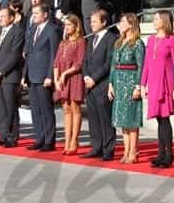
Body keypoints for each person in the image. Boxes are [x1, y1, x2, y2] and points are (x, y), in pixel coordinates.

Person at [140, 10, 174, 167]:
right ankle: (160, 152)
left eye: (156, 19)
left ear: (164, 21)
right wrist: (143, 84)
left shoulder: (172, 40)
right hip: (154, 82)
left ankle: (168, 154)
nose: (154, 21)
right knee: (158, 118)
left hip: (165, 83)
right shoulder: (150, 40)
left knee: (164, 119)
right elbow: (147, 64)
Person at [109, 12, 145, 163]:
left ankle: (133, 151)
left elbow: (141, 66)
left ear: (131, 24)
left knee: (132, 119)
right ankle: (125, 150)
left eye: (123, 22)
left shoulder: (137, 43)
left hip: (130, 81)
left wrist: (138, 86)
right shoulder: (119, 42)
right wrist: (111, 84)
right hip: (118, 80)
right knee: (122, 120)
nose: (121, 24)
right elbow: (113, 65)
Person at [24, 4, 60, 152]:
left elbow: (54, 55)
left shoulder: (52, 30)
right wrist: (24, 75)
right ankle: (39, 138)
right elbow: (28, 54)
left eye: (37, 13)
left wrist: (50, 76)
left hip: (44, 75)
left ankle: (49, 140)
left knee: (46, 109)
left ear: (45, 14)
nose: (34, 16)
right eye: (33, 13)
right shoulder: (32, 30)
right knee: (35, 110)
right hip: (32, 75)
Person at [82, 9, 116, 160]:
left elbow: (108, 62)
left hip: (102, 84)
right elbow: (85, 61)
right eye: (91, 22)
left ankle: (108, 149)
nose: (91, 24)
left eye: (95, 21)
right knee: (93, 118)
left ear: (104, 22)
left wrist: (94, 78)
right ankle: (96, 147)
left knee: (105, 119)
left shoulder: (112, 38)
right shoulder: (91, 39)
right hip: (90, 86)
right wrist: (86, 77)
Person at [0, 5, 24, 147]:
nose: (0, 19)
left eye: (3, 16)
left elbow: (14, 55)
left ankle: (12, 136)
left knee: (11, 106)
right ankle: (3, 134)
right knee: (1, 106)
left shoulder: (17, 31)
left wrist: (0, 71)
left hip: (10, 75)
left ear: (11, 17)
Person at [53, 13, 86, 155]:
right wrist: (56, 79)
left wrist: (65, 74)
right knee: (66, 109)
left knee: (75, 108)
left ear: (76, 26)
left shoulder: (80, 41)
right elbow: (56, 62)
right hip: (61, 79)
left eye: (69, 25)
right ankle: (66, 141)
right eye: (64, 25)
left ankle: (74, 141)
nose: (66, 28)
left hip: (74, 78)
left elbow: (79, 63)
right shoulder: (63, 43)